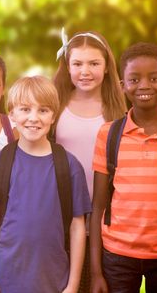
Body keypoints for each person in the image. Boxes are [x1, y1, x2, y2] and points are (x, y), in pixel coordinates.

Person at [90, 43, 157, 293]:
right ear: (122, 85)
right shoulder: (109, 134)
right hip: (118, 255)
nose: (144, 86)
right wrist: (96, 272)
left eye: (154, 78)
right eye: (134, 79)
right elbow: (97, 206)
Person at [0, 76, 91, 293]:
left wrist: (72, 286)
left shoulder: (69, 166)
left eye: (43, 110)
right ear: (11, 114)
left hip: (55, 281)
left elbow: (77, 227)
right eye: (25, 109)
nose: (34, 118)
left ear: (53, 116)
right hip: (5, 281)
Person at [53, 29, 127, 292]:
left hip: (105, 215)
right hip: (60, 213)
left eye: (94, 63)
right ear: (67, 66)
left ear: (107, 67)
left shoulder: (117, 111)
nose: (85, 71)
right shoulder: (55, 105)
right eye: (77, 64)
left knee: (97, 282)